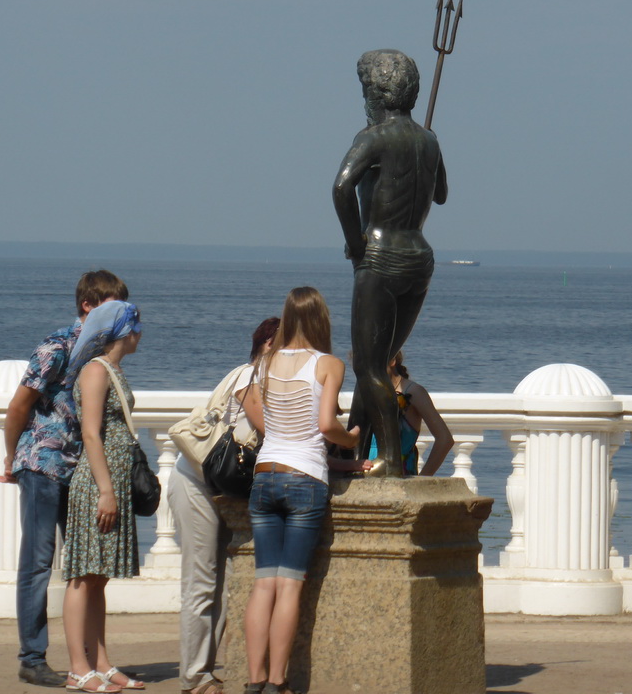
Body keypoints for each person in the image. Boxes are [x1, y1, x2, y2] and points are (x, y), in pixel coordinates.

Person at [0, 269, 128, 688]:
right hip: (44, 465)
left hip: (81, 471)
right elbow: (20, 405)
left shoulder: (101, 355)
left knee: (84, 565)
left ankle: (88, 660)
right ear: (89, 305)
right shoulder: (56, 345)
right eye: (112, 305)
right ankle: (32, 657)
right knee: (38, 562)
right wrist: (12, 455)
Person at [332, 49, 447, 477]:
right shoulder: (429, 140)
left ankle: (390, 463)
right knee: (377, 363)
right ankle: (355, 444)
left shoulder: (373, 137)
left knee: (367, 363)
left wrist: (354, 243)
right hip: (419, 259)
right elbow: (440, 194)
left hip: (380, 258)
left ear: (377, 93)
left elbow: (342, 188)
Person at [240, 287, 360, 694]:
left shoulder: (265, 362)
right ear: (321, 319)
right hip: (304, 477)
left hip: (265, 474)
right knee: (289, 585)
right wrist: (352, 437)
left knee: (263, 584)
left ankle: (254, 680)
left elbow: (260, 415)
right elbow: (327, 425)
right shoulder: (328, 364)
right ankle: (277, 681)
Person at [167, 317, 280, 694]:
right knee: (202, 581)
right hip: (195, 480)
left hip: (224, 487)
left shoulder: (271, 383)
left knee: (228, 581)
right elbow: (267, 426)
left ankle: (207, 669)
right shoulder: (248, 376)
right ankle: (195, 677)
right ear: (267, 345)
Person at [61, 300, 145, 693]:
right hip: (97, 485)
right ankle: (79, 667)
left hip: (111, 482)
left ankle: (101, 662)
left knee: (98, 579)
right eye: (137, 325)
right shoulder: (95, 371)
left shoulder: (111, 370)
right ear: (124, 331)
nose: (141, 332)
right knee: (82, 577)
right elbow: (91, 433)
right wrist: (106, 490)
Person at [365, 351, 454, 476]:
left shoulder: (414, 392)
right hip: (366, 475)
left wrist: (423, 480)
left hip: (401, 476)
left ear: (392, 361)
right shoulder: (368, 391)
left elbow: (445, 439)